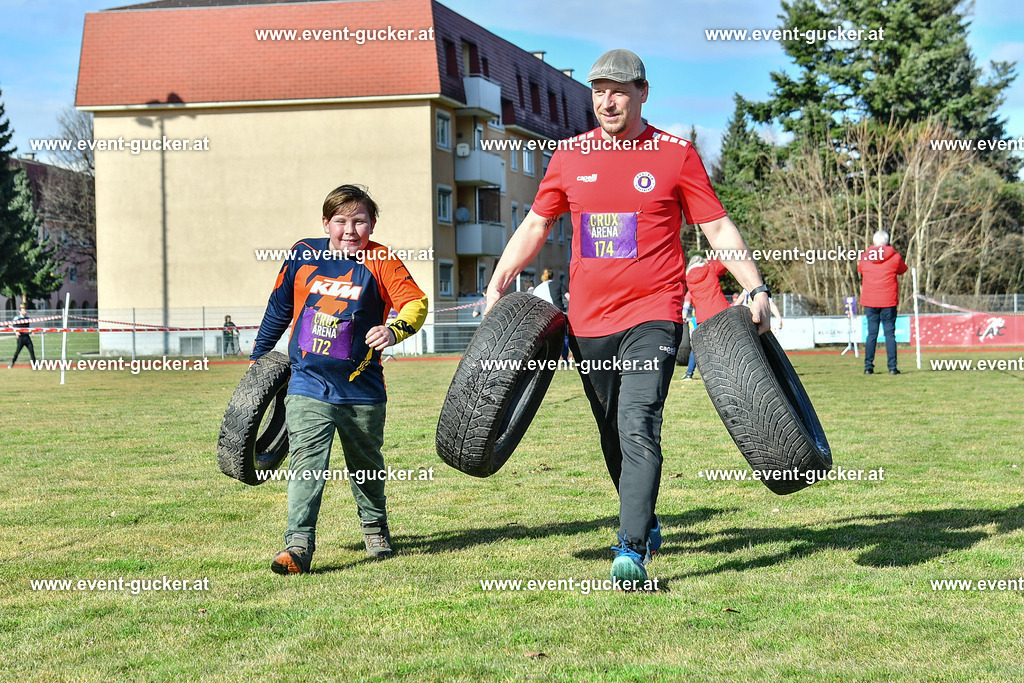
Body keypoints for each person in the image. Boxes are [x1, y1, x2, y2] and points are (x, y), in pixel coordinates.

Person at [484, 49, 771, 586]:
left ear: (643, 92)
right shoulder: (569, 156)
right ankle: (647, 518)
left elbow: (718, 228)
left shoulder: (675, 154)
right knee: (612, 434)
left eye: (619, 90)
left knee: (639, 424)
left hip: (653, 316)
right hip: (587, 323)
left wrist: (755, 285)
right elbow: (535, 226)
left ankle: (631, 549)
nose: (607, 101)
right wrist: (499, 282)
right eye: (598, 91)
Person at [250, 184, 428, 575]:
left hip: (362, 387)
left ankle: (374, 527)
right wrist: (258, 362)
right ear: (326, 223)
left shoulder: (382, 260)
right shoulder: (303, 254)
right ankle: (297, 546)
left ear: (372, 224)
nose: (350, 230)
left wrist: (395, 330)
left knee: (366, 465)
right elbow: (279, 306)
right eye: (341, 221)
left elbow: (416, 302)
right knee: (306, 464)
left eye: (359, 221)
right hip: (307, 382)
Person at [858, 229, 908, 375]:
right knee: (890, 334)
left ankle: (868, 367)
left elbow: (860, 269)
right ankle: (892, 367)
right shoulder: (895, 257)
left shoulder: (864, 257)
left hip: (870, 300)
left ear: (874, 242)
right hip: (888, 300)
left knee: (871, 334)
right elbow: (903, 270)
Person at [681, 255, 732, 381]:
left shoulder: (688, 278)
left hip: (702, 316)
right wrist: (710, 260)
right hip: (721, 310)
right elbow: (724, 264)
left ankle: (691, 373)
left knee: (702, 346)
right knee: (727, 344)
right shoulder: (710, 268)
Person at [531, 268, 570, 360]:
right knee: (565, 337)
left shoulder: (538, 288)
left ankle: (547, 359)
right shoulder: (558, 284)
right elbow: (569, 297)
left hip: (545, 315)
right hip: (560, 313)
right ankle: (565, 358)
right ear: (553, 275)